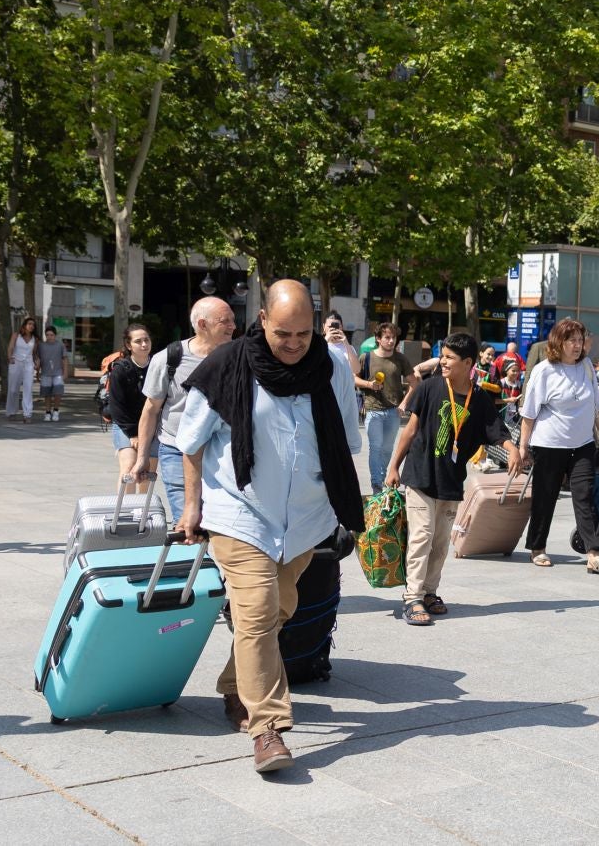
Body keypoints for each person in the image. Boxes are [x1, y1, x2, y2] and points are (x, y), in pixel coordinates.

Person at [176, 279, 364, 774]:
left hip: (304, 519)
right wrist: (191, 507)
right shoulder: (227, 365)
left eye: (304, 334)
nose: (295, 343)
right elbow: (190, 442)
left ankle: (236, 685)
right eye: (284, 333)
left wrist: (346, 501)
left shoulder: (332, 369)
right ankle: (268, 728)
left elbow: (345, 441)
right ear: (262, 320)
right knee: (258, 612)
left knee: (280, 609)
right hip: (238, 513)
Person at [383, 332, 518, 626]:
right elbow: (410, 431)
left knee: (441, 542)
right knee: (422, 536)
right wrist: (394, 466)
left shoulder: (479, 398)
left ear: (467, 362)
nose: (442, 361)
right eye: (442, 356)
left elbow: (496, 430)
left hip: (451, 480)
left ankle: (430, 592)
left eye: (449, 358)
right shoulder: (429, 388)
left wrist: (512, 448)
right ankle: (413, 597)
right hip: (420, 474)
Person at [516, 318, 599, 572]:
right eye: (572, 340)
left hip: (582, 443)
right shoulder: (544, 370)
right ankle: (537, 548)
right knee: (545, 496)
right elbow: (529, 413)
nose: (577, 345)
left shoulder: (587, 368)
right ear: (558, 342)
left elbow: (597, 406)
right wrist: (523, 447)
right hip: (549, 444)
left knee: (585, 496)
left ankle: (594, 553)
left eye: (580, 341)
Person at [136, 297, 237, 519]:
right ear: (202, 324)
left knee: (220, 521)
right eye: (225, 321)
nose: (233, 326)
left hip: (221, 452)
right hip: (176, 450)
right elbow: (151, 410)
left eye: (233, 320)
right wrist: (142, 456)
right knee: (189, 520)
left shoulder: (237, 358)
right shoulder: (169, 359)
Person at [353, 323, 409, 498]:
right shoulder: (366, 357)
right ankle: (377, 484)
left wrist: (404, 404)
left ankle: (383, 478)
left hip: (393, 411)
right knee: (375, 448)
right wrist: (369, 384)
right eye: (387, 337)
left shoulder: (400, 359)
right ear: (378, 338)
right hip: (373, 411)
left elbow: (415, 383)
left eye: (394, 337)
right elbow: (354, 378)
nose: (391, 341)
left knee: (387, 449)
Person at [105, 325, 158, 492]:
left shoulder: (158, 366)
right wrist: (133, 434)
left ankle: (142, 510)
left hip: (152, 425)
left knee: (147, 472)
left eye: (146, 340)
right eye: (138, 341)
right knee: (128, 469)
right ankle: (125, 511)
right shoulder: (120, 369)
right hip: (125, 425)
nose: (144, 344)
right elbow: (117, 407)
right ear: (129, 345)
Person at [4, 315, 36, 422]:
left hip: (28, 364)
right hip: (15, 362)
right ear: (25, 325)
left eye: (33, 325)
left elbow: (35, 353)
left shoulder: (35, 339)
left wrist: (37, 364)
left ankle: (27, 414)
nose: (31, 326)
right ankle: (11, 411)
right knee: (13, 389)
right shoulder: (16, 335)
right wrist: (10, 357)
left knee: (28, 388)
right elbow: (11, 347)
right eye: (29, 324)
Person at [36, 326, 70, 422]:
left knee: (58, 392)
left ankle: (56, 410)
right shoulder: (41, 346)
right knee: (47, 394)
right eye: (47, 335)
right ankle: (47, 412)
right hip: (45, 373)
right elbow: (39, 360)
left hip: (58, 373)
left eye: (51, 335)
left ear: (55, 335)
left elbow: (64, 359)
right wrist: (37, 373)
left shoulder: (60, 345)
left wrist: (66, 372)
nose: (49, 337)